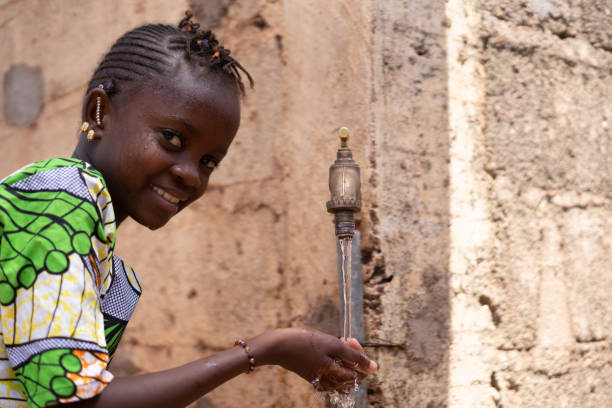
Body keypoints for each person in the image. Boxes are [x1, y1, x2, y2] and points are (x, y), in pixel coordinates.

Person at [0, 12, 377, 408]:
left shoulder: (83, 226)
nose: (191, 176)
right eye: (172, 139)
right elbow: (75, 404)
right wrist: (263, 350)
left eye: (209, 162)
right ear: (100, 112)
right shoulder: (56, 200)